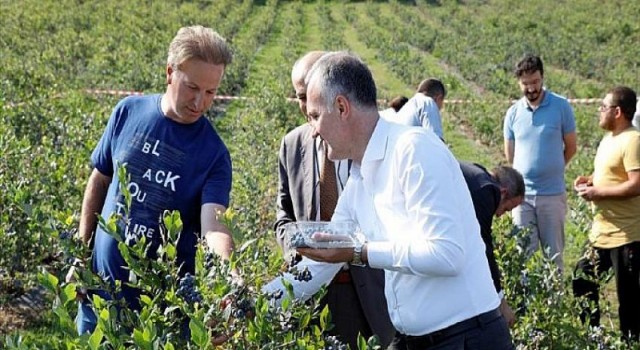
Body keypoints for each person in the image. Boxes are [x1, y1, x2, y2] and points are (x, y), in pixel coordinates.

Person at [265, 52, 513, 350]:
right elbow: (322, 262)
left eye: (316, 116)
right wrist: (248, 306)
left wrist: (359, 252)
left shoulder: (413, 151)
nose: (314, 131)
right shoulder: (359, 178)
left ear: (342, 107)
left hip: (465, 338)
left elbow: (446, 253)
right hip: (413, 340)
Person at [69, 25, 237, 336]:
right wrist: (82, 252)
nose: (200, 102)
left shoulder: (213, 154)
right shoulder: (127, 112)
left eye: (211, 92)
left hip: (160, 313)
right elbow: (100, 180)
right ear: (170, 72)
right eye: (192, 88)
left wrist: (229, 277)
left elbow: (214, 225)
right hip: (99, 299)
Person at [274, 51, 395, 349]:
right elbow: (284, 214)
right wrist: (297, 248)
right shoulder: (292, 144)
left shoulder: (363, 149)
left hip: (365, 287)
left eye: (312, 99)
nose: (305, 108)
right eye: (300, 97)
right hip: (311, 287)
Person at [572, 86, 640, 342]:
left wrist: (599, 192)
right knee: (582, 280)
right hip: (601, 233)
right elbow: (614, 175)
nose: (599, 111)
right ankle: (593, 339)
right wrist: (590, 180)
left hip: (626, 235)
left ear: (618, 111)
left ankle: (630, 343)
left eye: (603, 107)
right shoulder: (610, 138)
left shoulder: (633, 140)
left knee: (629, 301)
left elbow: (636, 184)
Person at [503, 54, 577, 271]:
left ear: (543, 78)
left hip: (551, 195)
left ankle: (554, 303)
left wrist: (553, 168)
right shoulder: (513, 113)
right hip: (522, 197)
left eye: (535, 82)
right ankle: (526, 304)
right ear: (519, 83)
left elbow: (571, 147)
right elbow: (510, 155)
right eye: (526, 84)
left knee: (553, 255)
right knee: (523, 254)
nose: (531, 88)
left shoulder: (561, 106)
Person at [460, 162, 525, 329]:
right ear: (503, 193)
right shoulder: (487, 191)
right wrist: (500, 300)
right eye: (506, 208)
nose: (498, 214)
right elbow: (483, 249)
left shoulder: (477, 173)